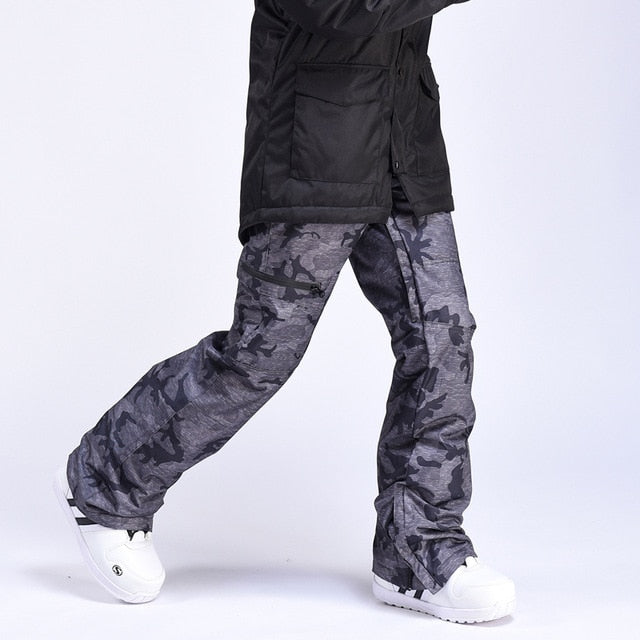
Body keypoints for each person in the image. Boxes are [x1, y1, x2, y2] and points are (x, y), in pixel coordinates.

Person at [54, 0, 516, 623]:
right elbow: (345, 9)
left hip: (404, 149)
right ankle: (105, 481)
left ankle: (418, 552)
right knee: (258, 357)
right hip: (314, 156)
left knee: (444, 341)